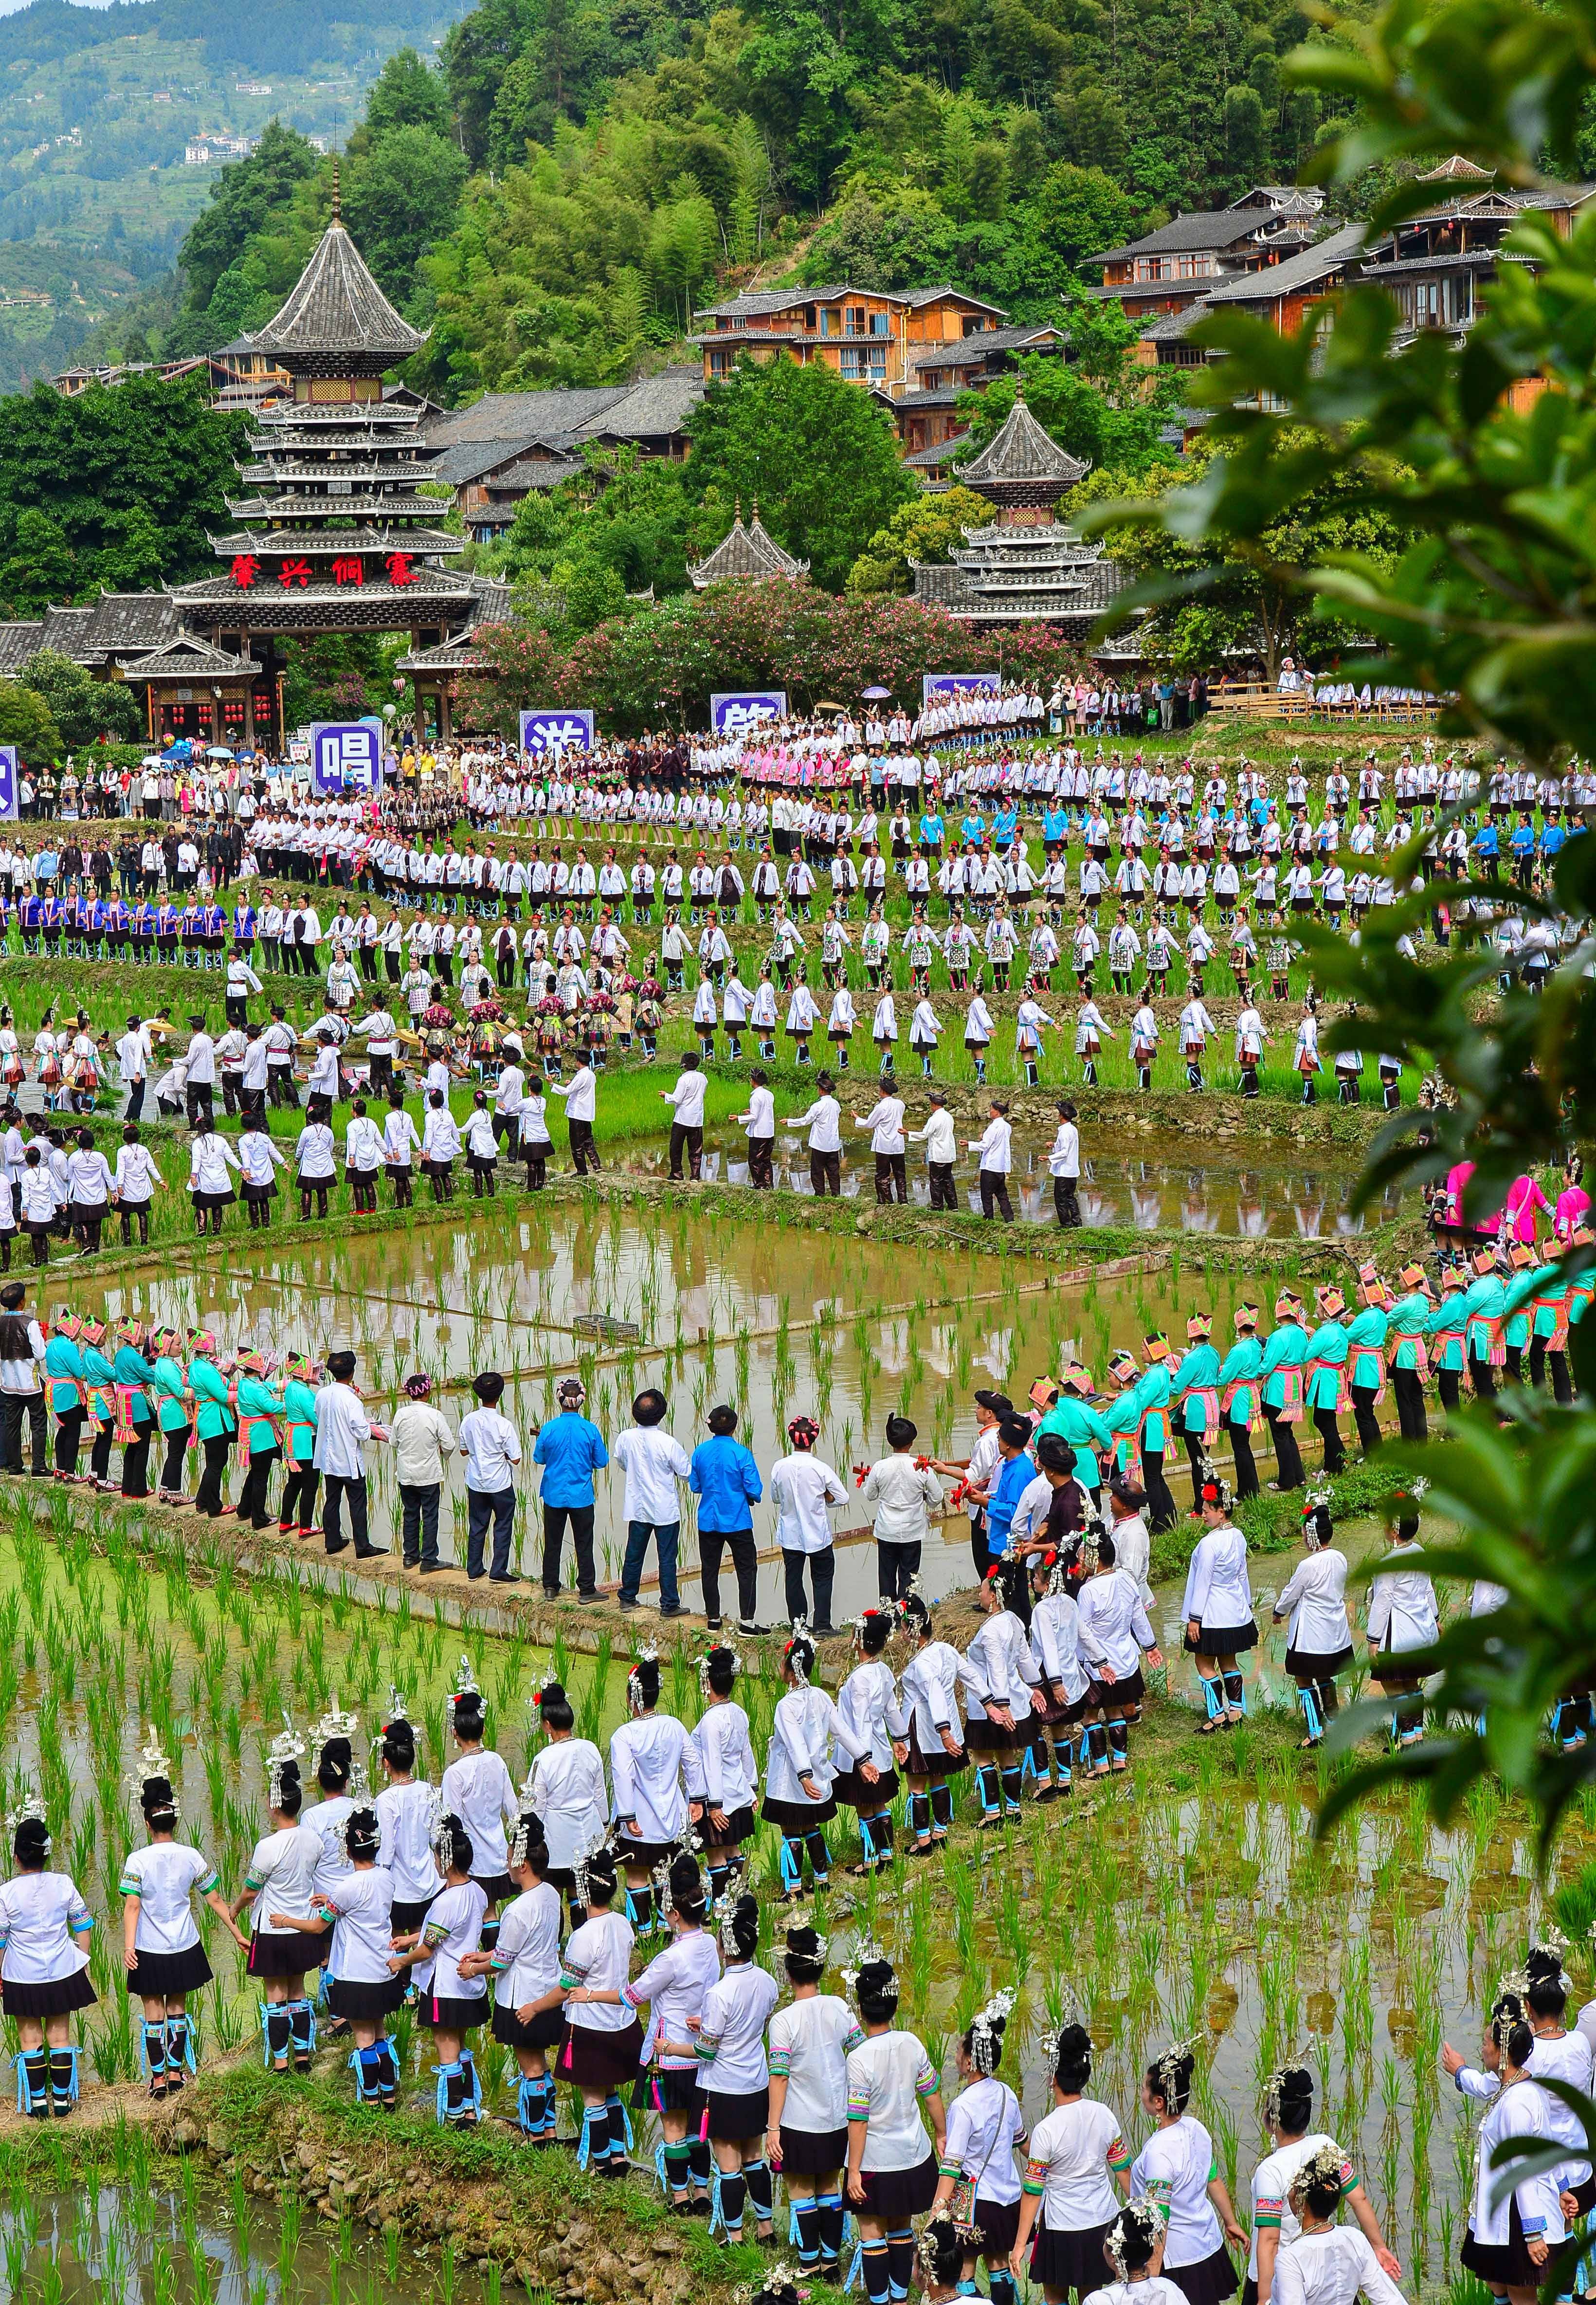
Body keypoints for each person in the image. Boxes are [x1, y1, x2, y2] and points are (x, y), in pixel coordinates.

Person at [121, 1743, 247, 2100]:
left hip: (148, 1945)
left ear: (148, 1823)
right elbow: (215, 1899)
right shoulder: (191, 1856)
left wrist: (129, 1946)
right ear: (174, 1821)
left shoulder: (137, 1860)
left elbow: (132, 1907)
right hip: (184, 1943)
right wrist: (236, 1932)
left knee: (153, 2012)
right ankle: (177, 2073)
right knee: (178, 2008)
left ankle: (158, 2078)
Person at [1247, 2063, 1399, 2305]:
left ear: (1272, 2118)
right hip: (1327, 2267)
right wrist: (1379, 2247)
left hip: (1282, 2275)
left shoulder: (1270, 2170)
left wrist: (1265, 2298)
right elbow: (1359, 2199)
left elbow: (1270, 2240)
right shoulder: (1326, 2146)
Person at [844, 1948, 947, 2305]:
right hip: (912, 2156)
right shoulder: (911, 2043)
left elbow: (858, 2119)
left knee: (872, 2233)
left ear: (861, 2009)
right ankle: (901, 2300)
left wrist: (853, 2170)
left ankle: (880, 2302)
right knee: (902, 2228)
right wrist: (941, 2133)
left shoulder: (858, 2058)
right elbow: (932, 2093)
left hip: (875, 2161)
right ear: (894, 2005)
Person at [1010, 2023, 1134, 2305]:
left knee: (1055, 2298)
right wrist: (1142, 2213)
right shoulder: (1104, 2115)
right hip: (1102, 2221)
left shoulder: (1047, 2130)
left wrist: (1020, 2246)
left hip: (1062, 2227)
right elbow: (1123, 2170)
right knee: (1094, 2296)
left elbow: (1033, 2192)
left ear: (1053, 2078)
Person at [767, 1922, 862, 2284]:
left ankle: (808, 2265)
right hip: (837, 2119)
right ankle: (830, 2264)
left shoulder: (784, 2021)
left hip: (798, 2121)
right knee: (829, 2186)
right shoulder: (839, 2007)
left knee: (801, 2190)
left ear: (788, 1973)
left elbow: (779, 2076)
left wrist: (773, 2127)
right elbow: (857, 2054)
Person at [1458, 2011, 1566, 2305]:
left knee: (1523, 2298)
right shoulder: (1521, 2087)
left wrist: (1533, 2236)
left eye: (1485, 2043)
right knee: (1500, 2282)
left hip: (1519, 2214)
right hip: (1511, 2209)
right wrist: (1563, 2187)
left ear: (1501, 2051)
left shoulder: (1516, 2102)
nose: (1482, 2049)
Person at [470, 1817, 567, 2140]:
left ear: (523, 1864)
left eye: (510, 1857)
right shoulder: (551, 1894)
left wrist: (474, 1968)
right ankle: (549, 2128)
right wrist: (485, 1956)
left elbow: (501, 1961)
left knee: (531, 2069)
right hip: (547, 1990)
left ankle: (537, 2135)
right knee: (540, 2065)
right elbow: (518, 1950)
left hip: (520, 1998)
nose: (506, 1864)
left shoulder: (517, 1909)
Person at [0, 1796, 96, 2118]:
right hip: (61, 1970)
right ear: (46, 1854)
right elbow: (83, 1924)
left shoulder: (6, 1892)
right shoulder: (63, 1883)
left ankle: (38, 2104)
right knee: (60, 2035)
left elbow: (0, 1941)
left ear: (16, 1857)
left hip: (21, 1974)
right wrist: (82, 1959)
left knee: (30, 2038)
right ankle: (63, 2102)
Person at [231, 1732, 321, 2077]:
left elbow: (252, 1889)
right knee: (298, 1989)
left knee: (276, 1995)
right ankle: (303, 2058)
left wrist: (236, 1908)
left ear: (274, 1804)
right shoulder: (313, 1839)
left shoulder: (268, 1846)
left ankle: (281, 2062)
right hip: (302, 1925)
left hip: (272, 1927)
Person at [391, 1813, 488, 2127]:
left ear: (445, 1860)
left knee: (447, 2048)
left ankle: (456, 2115)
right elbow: (444, 1935)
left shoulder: (448, 1901)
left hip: (445, 1985)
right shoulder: (478, 1892)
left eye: (435, 1855)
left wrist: (402, 1961)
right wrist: (410, 1938)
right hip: (469, 1984)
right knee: (462, 2047)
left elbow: (428, 1950)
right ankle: (471, 2108)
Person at [931, 1992, 1027, 2305]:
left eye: (960, 2048)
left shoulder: (963, 2106)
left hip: (974, 2204)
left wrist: (938, 2207)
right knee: (999, 2265)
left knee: (964, 2271)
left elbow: (952, 2165)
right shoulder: (1006, 2094)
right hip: (1008, 2198)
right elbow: (1021, 2142)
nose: (956, 2054)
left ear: (971, 2060)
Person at [1131, 2045, 1246, 2305]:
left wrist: (1154, 2273)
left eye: (1144, 2089)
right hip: (1206, 2244)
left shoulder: (1160, 2152)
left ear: (1158, 2102)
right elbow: (1213, 2178)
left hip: (1176, 2258)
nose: (1141, 2094)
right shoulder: (1196, 2128)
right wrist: (1230, 2222)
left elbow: (1160, 2216)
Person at [697, 1893, 782, 2242]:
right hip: (756, 2083)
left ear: (725, 1946)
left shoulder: (718, 1993)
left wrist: (669, 2047)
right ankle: (766, 2229)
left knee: (729, 2166)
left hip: (724, 2087)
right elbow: (757, 2025)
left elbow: (706, 2051)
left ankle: (734, 2237)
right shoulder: (767, 1981)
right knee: (754, 2157)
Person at [763, 1630, 873, 1900]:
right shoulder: (822, 1697)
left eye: (782, 1664)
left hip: (793, 1780)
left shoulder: (786, 1705)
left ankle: (794, 1889)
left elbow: (794, 1743)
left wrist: (803, 1775)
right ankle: (822, 1880)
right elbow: (843, 1731)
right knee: (812, 1825)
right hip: (819, 1776)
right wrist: (863, 1759)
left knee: (791, 1830)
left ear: (791, 1672)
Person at [554, 1839, 638, 2177]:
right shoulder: (623, 1924)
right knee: (611, 2091)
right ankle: (617, 2158)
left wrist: (533, 2007)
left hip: (590, 2025)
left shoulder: (584, 1935)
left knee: (593, 2098)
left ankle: (602, 2163)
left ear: (584, 1891)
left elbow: (567, 1987)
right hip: (622, 2022)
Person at [609, 1649, 705, 1931]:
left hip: (639, 1818)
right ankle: (667, 1925)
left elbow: (623, 1778)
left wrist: (627, 1816)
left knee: (638, 1874)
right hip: (673, 1816)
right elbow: (693, 1762)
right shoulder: (674, 1726)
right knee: (664, 1872)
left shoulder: (624, 1735)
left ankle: (644, 1930)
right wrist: (696, 1800)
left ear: (632, 1699)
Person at [524, 1679, 609, 1929]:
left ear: (548, 1725)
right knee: (580, 1893)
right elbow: (600, 1795)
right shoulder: (590, 1749)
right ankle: (584, 1940)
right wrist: (603, 1827)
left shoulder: (544, 1759)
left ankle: (556, 1946)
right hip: (588, 1834)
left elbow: (536, 1806)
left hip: (556, 1839)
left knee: (553, 1895)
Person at [1272, 1496, 1354, 1748]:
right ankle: (1335, 1725)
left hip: (1310, 1635)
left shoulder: (1308, 1565)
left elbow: (1291, 1592)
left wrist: (1278, 1612)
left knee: (1304, 1680)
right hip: (1335, 1632)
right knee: (1327, 1678)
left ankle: (1315, 1731)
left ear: (1312, 1536)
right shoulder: (1340, 1558)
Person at [439, 1671, 520, 1929]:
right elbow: (514, 1809)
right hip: (498, 1852)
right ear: (484, 1729)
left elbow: (452, 1822)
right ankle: (493, 1966)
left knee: (476, 1915)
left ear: (455, 1733)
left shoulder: (455, 1773)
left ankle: (481, 1965)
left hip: (472, 1859)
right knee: (491, 1910)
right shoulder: (497, 1761)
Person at [1181, 1472, 1256, 1732]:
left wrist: (1194, 1619)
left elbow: (1202, 1583)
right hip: (1234, 1609)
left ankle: (1216, 1716)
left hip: (1212, 1612)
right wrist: (1247, 1605)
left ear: (1221, 1511)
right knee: (1228, 1661)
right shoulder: (1238, 1536)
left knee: (1203, 1662)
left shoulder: (1209, 1544)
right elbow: (1243, 1574)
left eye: (1206, 1511)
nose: (1203, 1515)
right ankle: (1237, 1711)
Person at [688, 1645, 759, 1910]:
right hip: (738, 1792)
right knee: (734, 1850)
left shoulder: (711, 1721)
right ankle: (738, 1899)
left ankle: (721, 1907)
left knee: (717, 1855)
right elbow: (747, 1754)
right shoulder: (738, 1713)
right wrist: (753, 1789)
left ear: (707, 1682)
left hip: (718, 1799)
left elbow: (712, 1764)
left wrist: (714, 1805)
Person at [1365, 1490, 1438, 1747]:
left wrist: (1373, 1639)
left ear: (1394, 1530)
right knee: (1411, 1683)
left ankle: (1407, 1739)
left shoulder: (1389, 1563)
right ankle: (1417, 1734)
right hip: (1422, 1630)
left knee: (1391, 1684)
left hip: (1398, 1634)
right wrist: (1437, 1618)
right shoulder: (1420, 1551)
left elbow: (1382, 1603)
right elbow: (1429, 1588)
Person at [613, 1387, 691, 1618]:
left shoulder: (626, 1437)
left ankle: (627, 1597)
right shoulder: (668, 1443)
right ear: (662, 1414)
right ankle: (669, 1604)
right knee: (667, 1557)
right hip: (664, 1509)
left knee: (634, 1553)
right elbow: (686, 1473)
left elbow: (622, 1462)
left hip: (638, 1506)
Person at [898, 1590, 967, 1853]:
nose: (902, 1633)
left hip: (923, 1725)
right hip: (941, 1720)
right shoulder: (945, 1650)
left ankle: (924, 1840)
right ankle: (941, 1831)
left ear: (912, 1629)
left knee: (917, 1783)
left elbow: (935, 1692)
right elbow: (968, 1675)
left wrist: (945, 1731)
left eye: (904, 1627)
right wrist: (990, 1702)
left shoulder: (922, 1663)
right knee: (938, 1776)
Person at [690, 1403, 764, 1633]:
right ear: (734, 1427)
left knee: (709, 1569)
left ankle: (713, 1619)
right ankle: (747, 1622)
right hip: (738, 1520)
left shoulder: (700, 1451)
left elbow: (695, 1486)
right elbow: (755, 1490)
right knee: (747, 1569)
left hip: (708, 1520)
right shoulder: (742, 1453)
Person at [534, 1375, 609, 1603]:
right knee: (584, 1542)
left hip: (554, 1495)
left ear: (560, 1401)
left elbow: (539, 1458)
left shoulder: (548, 1429)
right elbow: (601, 1462)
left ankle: (550, 1586)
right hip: (582, 1497)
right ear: (581, 1402)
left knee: (553, 1541)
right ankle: (587, 1589)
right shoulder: (590, 1430)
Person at [770, 1414, 848, 1633]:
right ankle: (822, 1624)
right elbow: (843, 1497)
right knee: (822, 1578)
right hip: (817, 1534)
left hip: (791, 1534)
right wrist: (826, 1499)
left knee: (793, 1580)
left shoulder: (779, 1467)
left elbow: (776, 1498)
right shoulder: (820, 1468)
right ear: (813, 1440)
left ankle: (799, 1626)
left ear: (792, 1439)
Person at [374, 1701, 443, 1937]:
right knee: (421, 1935)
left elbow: (387, 1848)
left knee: (397, 1938)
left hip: (399, 1887)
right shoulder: (429, 1790)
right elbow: (436, 1835)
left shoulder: (386, 1799)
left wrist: (380, 1881)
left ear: (386, 1762)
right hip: (429, 1881)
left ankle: (403, 1975)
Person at [860, 1415, 944, 1604]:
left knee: (886, 1574)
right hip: (913, 1530)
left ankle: (887, 1614)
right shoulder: (922, 1469)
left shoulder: (880, 1468)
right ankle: (905, 1613)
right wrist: (926, 1499)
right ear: (911, 1443)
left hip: (886, 1530)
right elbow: (937, 1497)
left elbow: (870, 1495)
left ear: (890, 1442)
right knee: (909, 1575)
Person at [313, 1349, 387, 1559]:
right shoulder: (352, 1400)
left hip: (328, 1458)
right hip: (348, 1460)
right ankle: (363, 1548)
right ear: (352, 1373)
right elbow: (362, 1434)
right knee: (357, 1503)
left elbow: (321, 1418)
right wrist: (370, 1426)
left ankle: (333, 1542)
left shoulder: (322, 1394)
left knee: (332, 1499)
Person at [389, 1371, 457, 1573]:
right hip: (428, 1475)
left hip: (405, 1474)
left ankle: (410, 1557)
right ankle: (429, 1559)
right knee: (430, 1516)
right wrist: (441, 1454)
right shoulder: (435, 1415)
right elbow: (450, 1444)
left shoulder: (400, 1414)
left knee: (410, 1514)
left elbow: (394, 1442)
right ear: (427, 1393)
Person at [461, 1369, 523, 1583]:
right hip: (499, 1483)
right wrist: (501, 1453)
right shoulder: (504, 1425)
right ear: (499, 1396)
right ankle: (498, 1571)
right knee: (503, 1525)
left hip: (476, 1481)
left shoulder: (468, 1420)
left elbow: (463, 1451)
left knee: (478, 1525)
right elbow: (516, 1459)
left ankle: (474, 1569)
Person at [0, 1281, 47, 1480]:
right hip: (30, 1384)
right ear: (22, 1302)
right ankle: (38, 1467)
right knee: (38, 1423)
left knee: (12, 1425)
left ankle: (14, 1466)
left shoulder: (0, 1323)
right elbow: (41, 1354)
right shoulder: (31, 1324)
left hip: (8, 1384)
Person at [549, 1058, 600, 1175]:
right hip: (586, 1113)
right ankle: (597, 1165)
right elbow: (580, 1088)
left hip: (577, 1113)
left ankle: (582, 1171)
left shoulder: (581, 1076)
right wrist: (571, 1084)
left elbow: (567, 1092)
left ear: (579, 1062)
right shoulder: (591, 1075)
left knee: (577, 1144)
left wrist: (552, 1084)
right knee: (588, 1140)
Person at [664, 1053, 708, 1181]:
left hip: (682, 1119)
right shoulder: (703, 1078)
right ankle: (695, 1176)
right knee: (696, 1149)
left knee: (676, 1147)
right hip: (697, 1119)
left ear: (684, 1065)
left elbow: (677, 1099)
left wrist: (666, 1095)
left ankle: (677, 1174)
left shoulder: (683, 1079)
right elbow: (702, 1094)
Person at [970, 1100, 1015, 1223]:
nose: (990, 1111)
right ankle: (1009, 1218)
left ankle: (989, 1216)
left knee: (986, 1193)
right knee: (1002, 1194)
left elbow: (985, 1145)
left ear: (996, 1112)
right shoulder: (1007, 1127)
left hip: (990, 1166)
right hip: (1001, 1166)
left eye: (991, 1109)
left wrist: (969, 1145)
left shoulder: (993, 1127)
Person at [1050, 1101, 1082, 1229]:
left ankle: (1066, 1224)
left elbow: (1064, 1152)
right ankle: (1077, 1222)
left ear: (1062, 1116)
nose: (1058, 1117)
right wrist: (1054, 1145)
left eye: (1059, 1114)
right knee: (1070, 1197)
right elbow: (1066, 1147)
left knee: (1060, 1199)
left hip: (1064, 1171)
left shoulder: (1064, 1131)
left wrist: (1048, 1157)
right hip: (1072, 1170)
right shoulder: (1072, 1129)